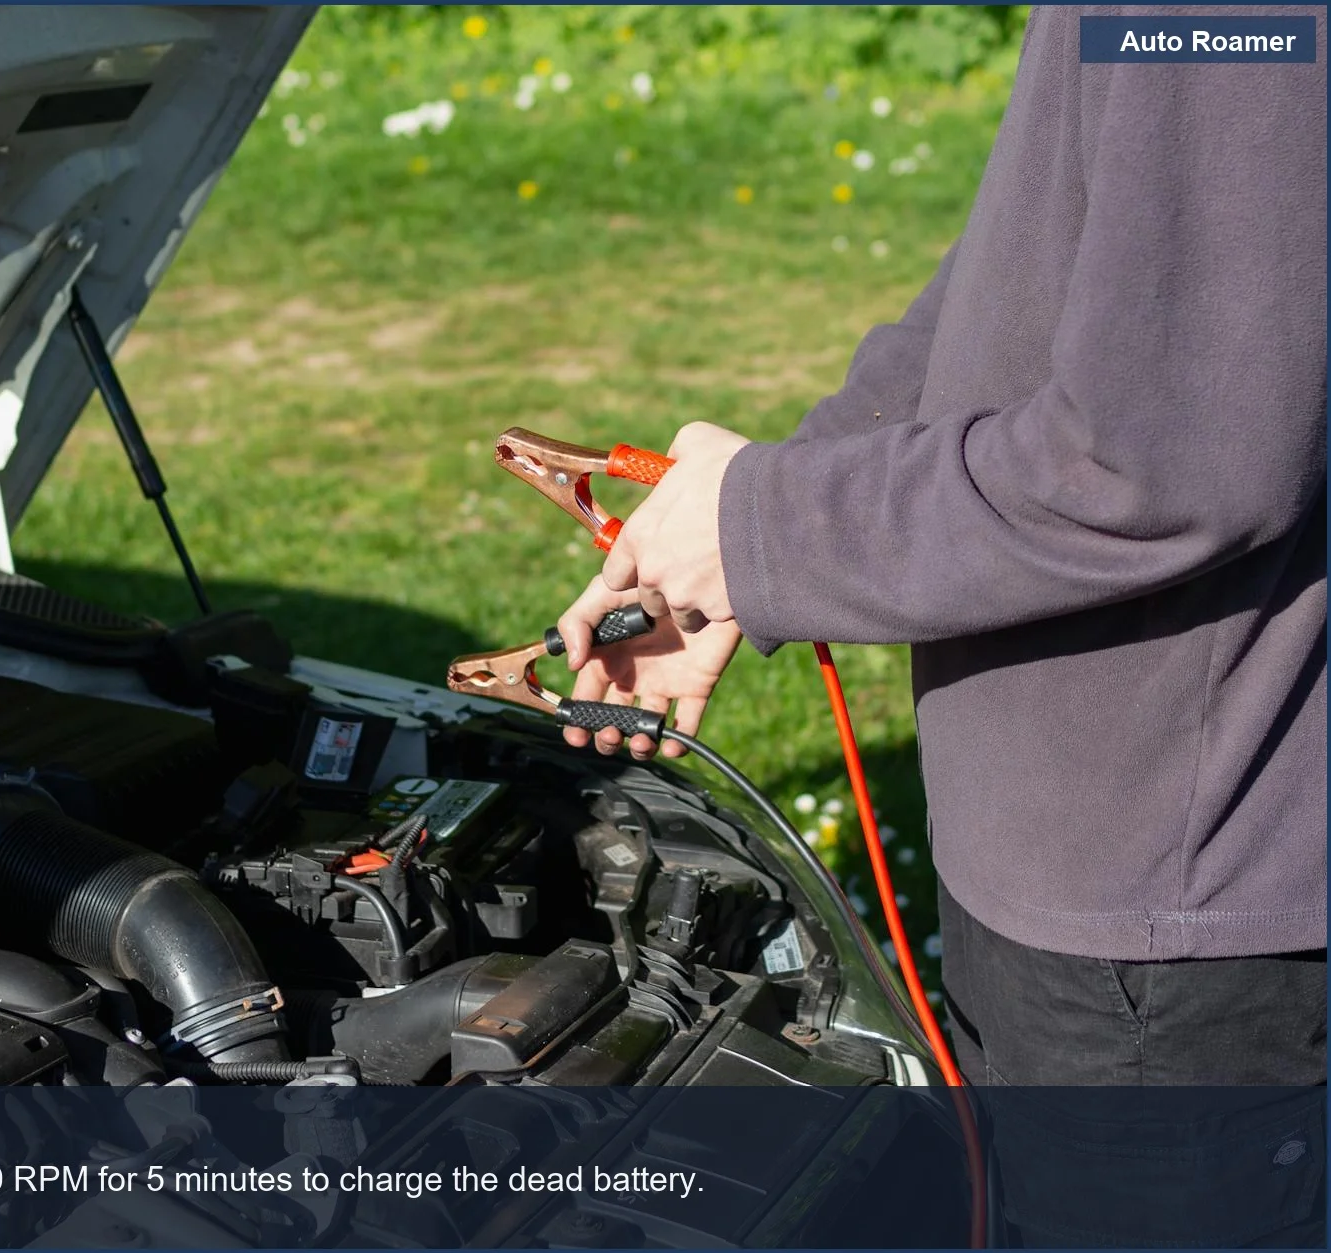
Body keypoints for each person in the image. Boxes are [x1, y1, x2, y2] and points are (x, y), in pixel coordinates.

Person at [554, 4, 1327, 1091]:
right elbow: (1035, 259)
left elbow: (1157, 466)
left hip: (1169, 940)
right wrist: (766, 524)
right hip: (1074, 884)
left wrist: (770, 525)